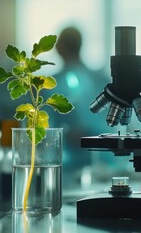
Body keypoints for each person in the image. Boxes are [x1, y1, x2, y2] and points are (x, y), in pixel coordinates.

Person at [47, 26, 111, 187]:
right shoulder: (100, 80)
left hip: (75, 164)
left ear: (59, 48)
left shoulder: (51, 84)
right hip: (96, 163)